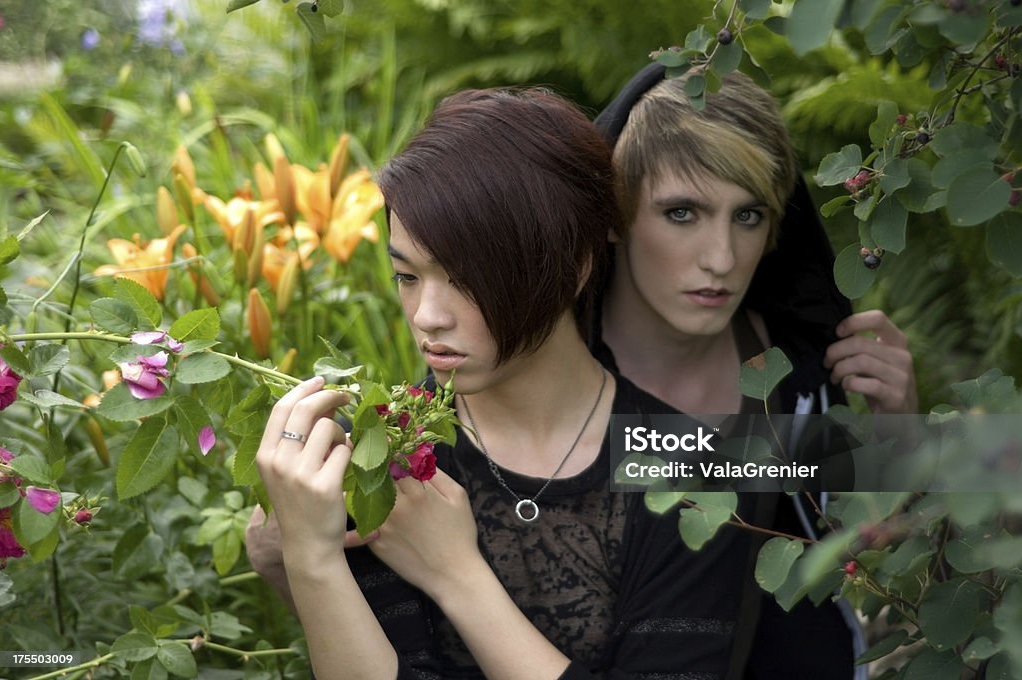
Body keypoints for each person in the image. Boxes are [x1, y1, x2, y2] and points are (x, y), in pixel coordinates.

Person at [253, 87, 753, 679]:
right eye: (406, 275)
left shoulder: (695, 472)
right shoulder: (390, 456)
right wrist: (308, 559)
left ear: (573, 266)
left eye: (465, 279)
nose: (426, 315)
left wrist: (457, 576)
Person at [592, 63, 918, 679]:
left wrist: (901, 429)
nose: (722, 259)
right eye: (682, 213)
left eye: (748, 216)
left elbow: (882, 544)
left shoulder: (797, 369)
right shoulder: (545, 376)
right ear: (612, 215)